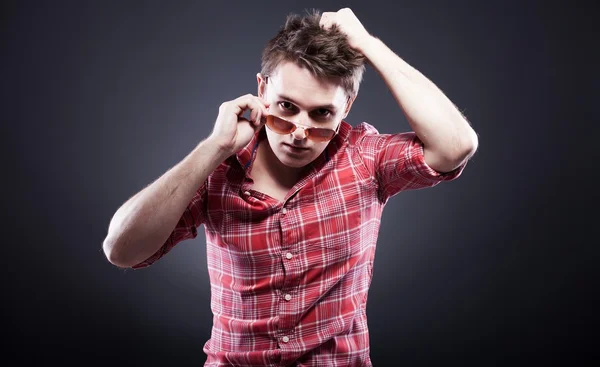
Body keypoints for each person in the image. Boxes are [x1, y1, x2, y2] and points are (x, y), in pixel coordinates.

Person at [102, 8, 478, 367]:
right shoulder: (217, 171)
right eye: (286, 107)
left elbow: (456, 144)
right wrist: (213, 148)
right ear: (262, 90)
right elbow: (122, 250)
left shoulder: (364, 159)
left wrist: (367, 44)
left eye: (321, 114)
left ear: (346, 106)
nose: (300, 132)